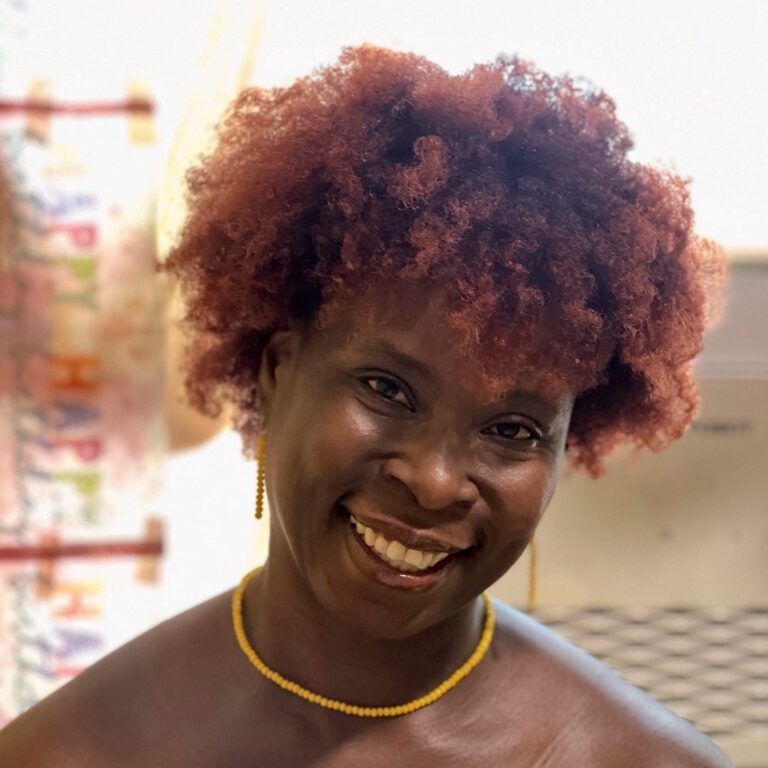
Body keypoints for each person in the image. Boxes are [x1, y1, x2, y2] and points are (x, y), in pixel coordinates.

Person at [0, 45, 730, 767]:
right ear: (276, 371)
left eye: (512, 429)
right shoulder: (68, 753)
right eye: (388, 389)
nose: (435, 482)